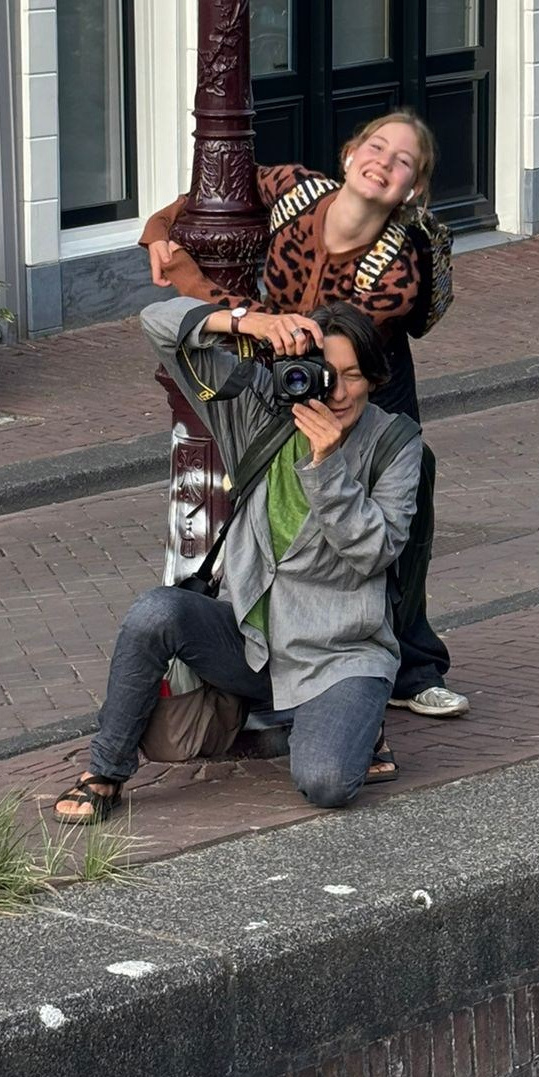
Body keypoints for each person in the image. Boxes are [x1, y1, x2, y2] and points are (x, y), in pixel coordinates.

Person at [141, 111, 468, 721]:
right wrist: (161, 232)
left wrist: (200, 290)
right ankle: (286, 648)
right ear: (348, 155)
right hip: (284, 364)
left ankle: (410, 665)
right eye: (376, 146)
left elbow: (322, 344)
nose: (384, 162)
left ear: (412, 190)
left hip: (364, 381)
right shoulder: (296, 191)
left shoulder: (395, 272)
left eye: (403, 161)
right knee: (286, 510)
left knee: (387, 521)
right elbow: (206, 195)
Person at [53, 296, 424, 822]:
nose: (336, 393)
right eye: (323, 373)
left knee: (325, 783)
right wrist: (249, 322)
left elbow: (375, 553)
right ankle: (106, 772)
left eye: (354, 377)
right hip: (252, 644)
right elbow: (156, 326)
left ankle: (354, 716)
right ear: (297, 367)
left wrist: (326, 467)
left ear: (374, 379)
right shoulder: (257, 411)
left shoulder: (393, 442)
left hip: (339, 655)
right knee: (155, 612)